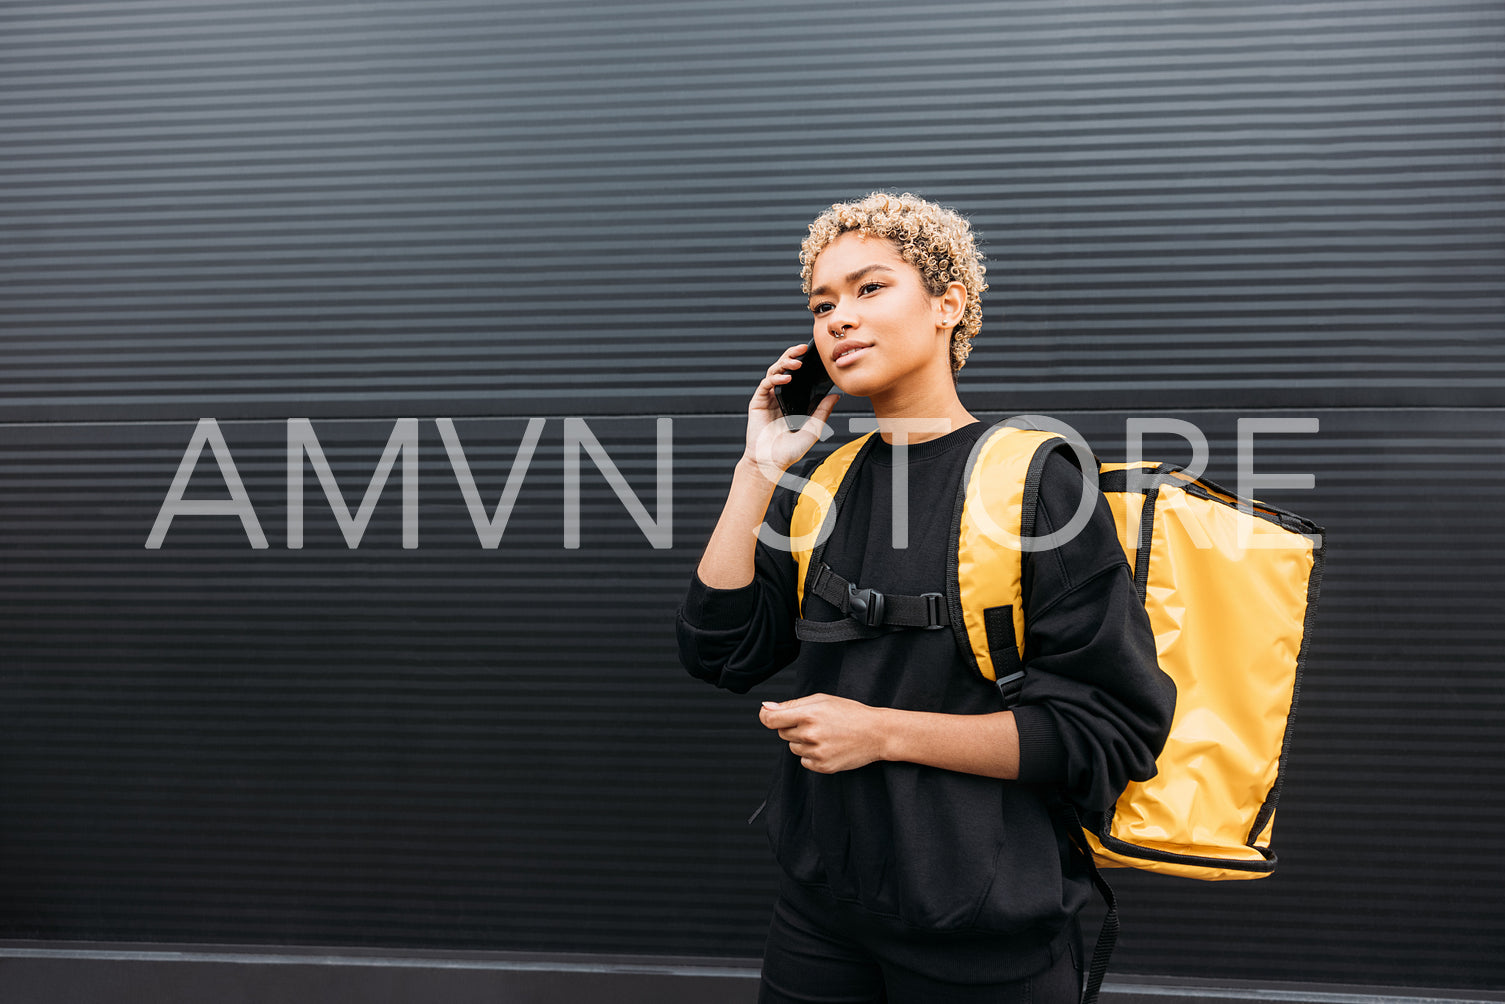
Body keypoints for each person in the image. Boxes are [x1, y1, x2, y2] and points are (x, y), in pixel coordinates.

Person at [676, 191, 1176, 1003]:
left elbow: (1106, 735)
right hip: (819, 910)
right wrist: (756, 471)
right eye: (822, 303)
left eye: (870, 289)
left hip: (981, 925)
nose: (839, 318)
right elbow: (718, 651)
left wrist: (879, 733)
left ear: (948, 305)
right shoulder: (819, 484)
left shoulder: (1032, 480)